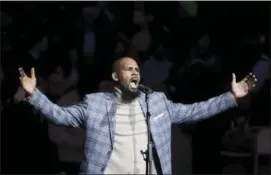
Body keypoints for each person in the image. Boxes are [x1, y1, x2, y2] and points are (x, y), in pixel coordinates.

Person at [18, 57, 256, 174]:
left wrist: (231, 97)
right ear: (115, 77)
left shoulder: (158, 102)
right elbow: (60, 116)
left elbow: (196, 110)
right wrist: (34, 94)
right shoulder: (95, 104)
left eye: (137, 69)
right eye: (128, 68)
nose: (134, 71)